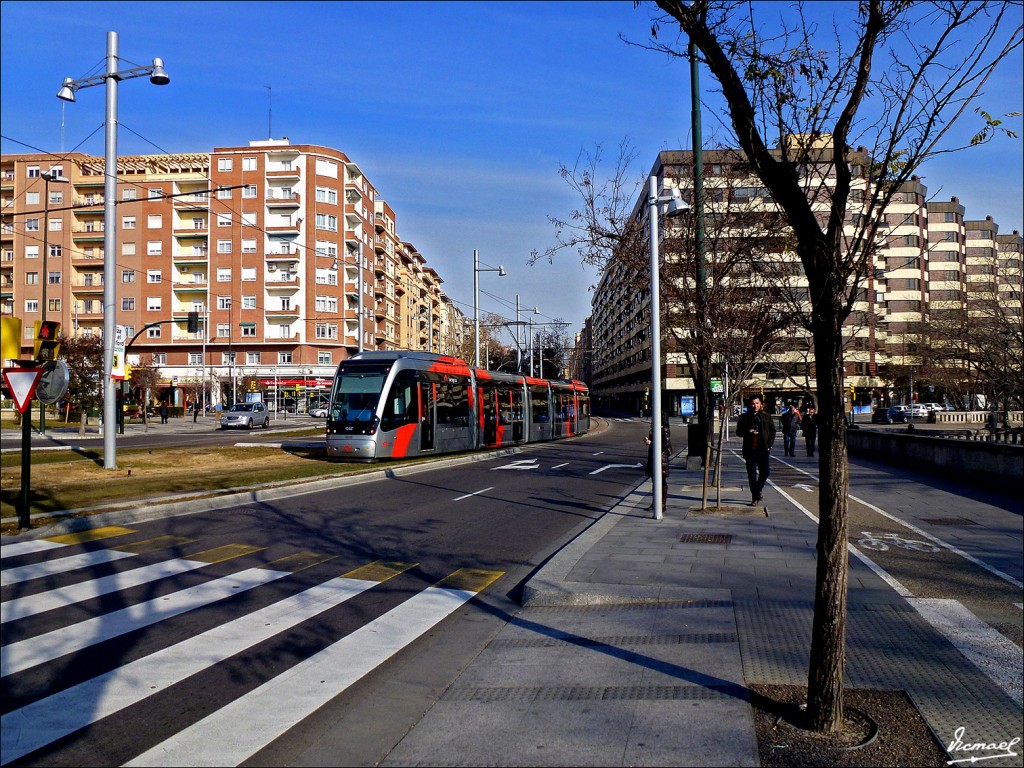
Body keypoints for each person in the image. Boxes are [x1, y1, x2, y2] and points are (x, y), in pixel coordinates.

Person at [737, 395, 775, 507]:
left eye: (757, 403)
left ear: (761, 404)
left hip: (763, 448)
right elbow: (739, 432)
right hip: (750, 449)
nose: (755, 406)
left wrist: (769, 446)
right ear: (749, 405)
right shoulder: (744, 417)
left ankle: (757, 491)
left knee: (765, 472)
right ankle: (755, 498)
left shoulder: (766, 416)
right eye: (753, 404)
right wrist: (748, 431)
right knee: (752, 475)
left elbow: (773, 431)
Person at [644, 418, 672, 510]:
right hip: (654, 458)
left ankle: (662, 504)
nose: (651, 422)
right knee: (655, 481)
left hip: (661, 459)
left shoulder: (664, 430)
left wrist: (651, 442)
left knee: (662, 481)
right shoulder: (654, 429)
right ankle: (655, 503)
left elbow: (666, 444)